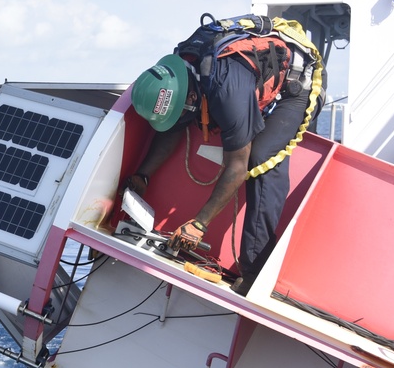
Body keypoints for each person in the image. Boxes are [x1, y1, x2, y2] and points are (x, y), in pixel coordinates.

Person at [125, 51, 315, 294]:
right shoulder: (179, 71)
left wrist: (199, 224)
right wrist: (143, 175)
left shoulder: (229, 96)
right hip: (247, 77)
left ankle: (255, 270)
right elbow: (175, 124)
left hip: (297, 83)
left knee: (261, 157)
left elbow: (238, 166)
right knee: (184, 115)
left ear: (192, 95)